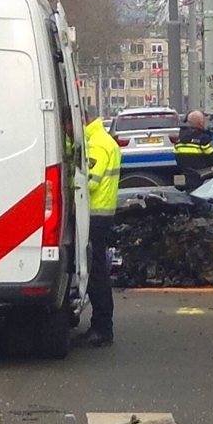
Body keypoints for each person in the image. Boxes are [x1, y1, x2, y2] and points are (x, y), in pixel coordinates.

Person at [80, 108, 120, 347]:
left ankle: (102, 328)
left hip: (95, 216)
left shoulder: (96, 144)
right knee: (98, 272)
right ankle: (102, 326)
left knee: (97, 274)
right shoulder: (103, 140)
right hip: (102, 214)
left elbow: (89, 182)